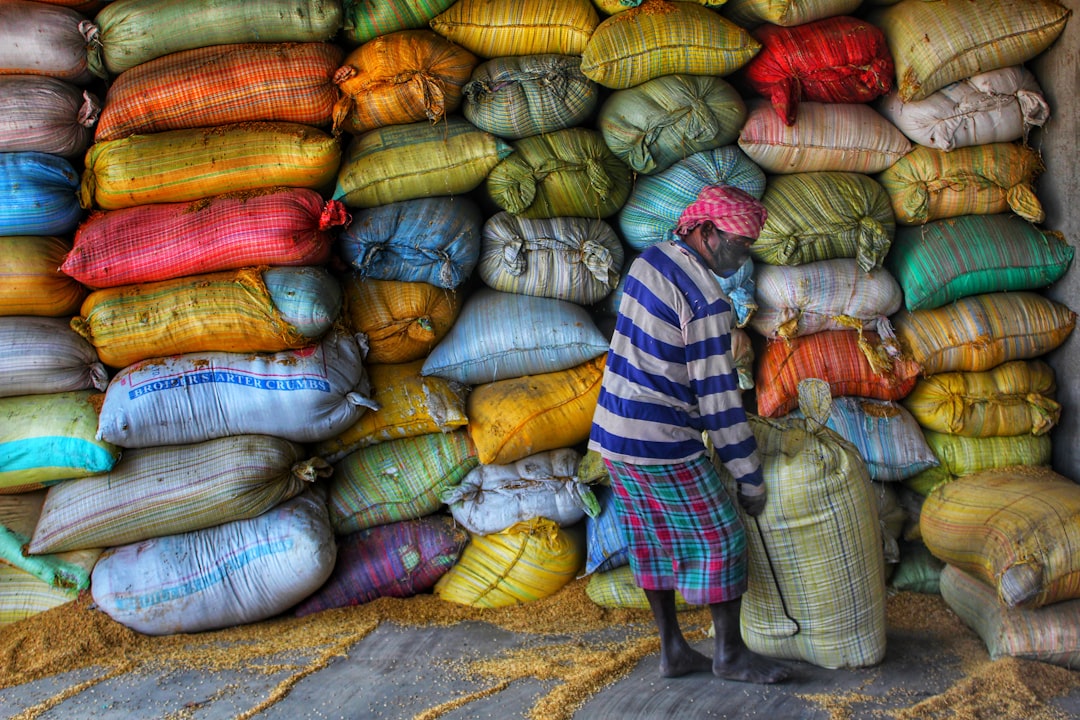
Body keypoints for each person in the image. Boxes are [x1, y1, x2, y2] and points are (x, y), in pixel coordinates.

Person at [588, 184, 789, 684]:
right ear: (705, 231)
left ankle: (674, 650)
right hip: (659, 441)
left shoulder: (649, 261)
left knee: (651, 541)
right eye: (738, 245)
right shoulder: (707, 303)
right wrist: (749, 475)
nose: (742, 258)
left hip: (613, 432)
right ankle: (730, 655)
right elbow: (719, 403)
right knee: (722, 537)